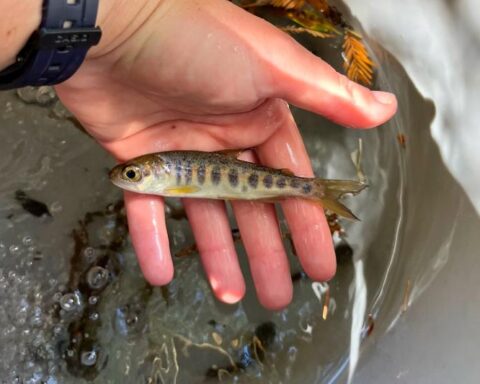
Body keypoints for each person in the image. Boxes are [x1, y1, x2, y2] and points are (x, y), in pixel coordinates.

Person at [1, 0, 397, 310]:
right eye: (133, 175)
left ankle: (315, 189)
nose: (127, 178)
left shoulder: (173, 174)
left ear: (154, 172)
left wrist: (133, 18)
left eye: (134, 175)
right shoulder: (169, 171)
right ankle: (314, 189)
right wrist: (130, 17)